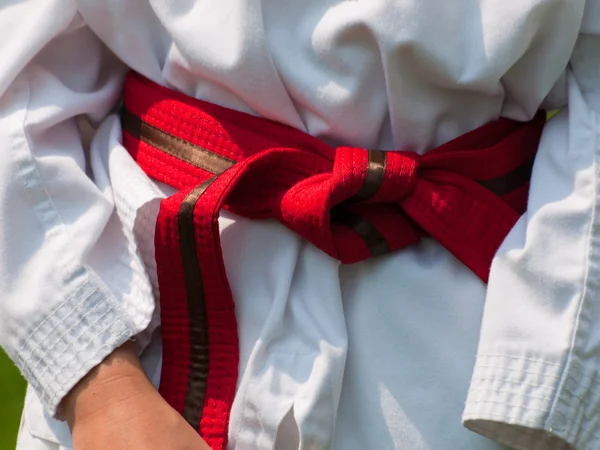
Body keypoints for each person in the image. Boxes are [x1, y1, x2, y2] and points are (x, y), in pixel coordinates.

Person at [1, 0, 599, 449]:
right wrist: (97, 382)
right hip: (146, 327)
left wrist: (549, 373)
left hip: (466, 354)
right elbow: (17, 75)